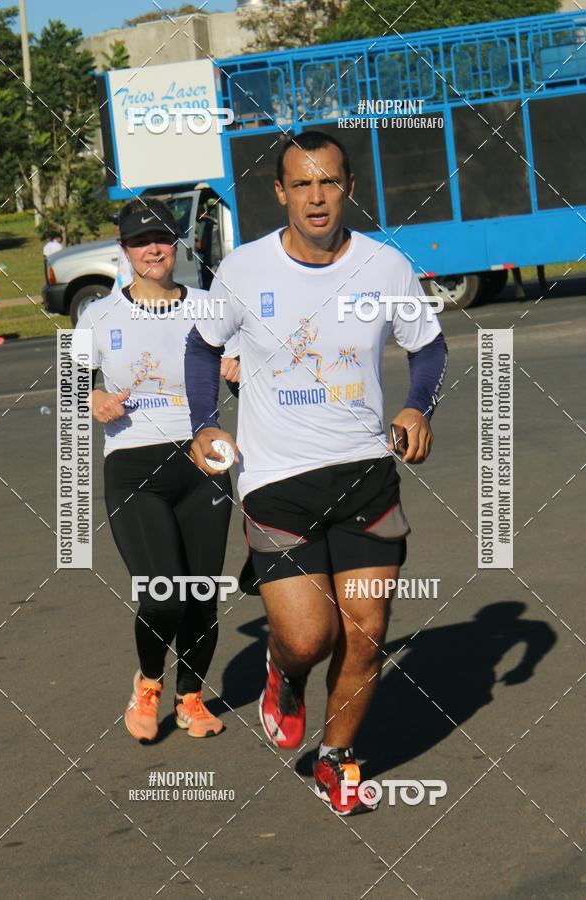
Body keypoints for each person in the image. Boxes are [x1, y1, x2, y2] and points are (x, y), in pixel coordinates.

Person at [185, 131, 447, 814]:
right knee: (310, 636)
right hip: (277, 482)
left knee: (366, 631)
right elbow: (199, 345)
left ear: (350, 187)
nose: (316, 196)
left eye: (328, 182)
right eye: (301, 184)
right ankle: (284, 668)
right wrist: (204, 423)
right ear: (280, 193)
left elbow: (427, 345)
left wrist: (419, 406)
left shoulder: (385, 268)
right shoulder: (242, 271)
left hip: (365, 473)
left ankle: (337, 757)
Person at [74, 198, 239, 742]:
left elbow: (243, 370)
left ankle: (190, 697)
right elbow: (71, 384)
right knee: (162, 589)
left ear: (178, 244)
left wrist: (238, 370)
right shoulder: (97, 315)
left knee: (202, 591)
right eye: (140, 241)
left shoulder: (210, 306)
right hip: (134, 464)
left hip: (204, 462)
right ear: (124, 251)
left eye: (163, 239)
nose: (153, 249)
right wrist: (93, 396)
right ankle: (148, 683)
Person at [195, 202, 215, 290]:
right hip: (213, 260)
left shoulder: (203, 223)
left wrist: (194, 239)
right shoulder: (213, 221)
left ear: (198, 213)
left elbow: (200, 246)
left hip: (205, 262)